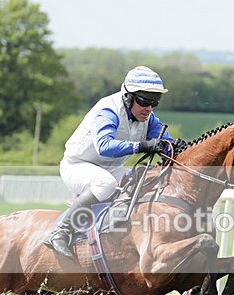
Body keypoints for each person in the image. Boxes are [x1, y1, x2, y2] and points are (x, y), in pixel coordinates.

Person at [44, 66, 175, 259]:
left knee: (145, 180)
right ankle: (60, 232)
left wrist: (175, 148)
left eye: (154, 103)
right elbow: (104, 146)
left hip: (109, 168)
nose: (149, 108)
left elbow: (166, 144)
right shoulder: (108, 109)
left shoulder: (148, 117)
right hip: (77, 165)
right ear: (128, 97)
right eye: (145, 101)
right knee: (105, 183)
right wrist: (142, 146)